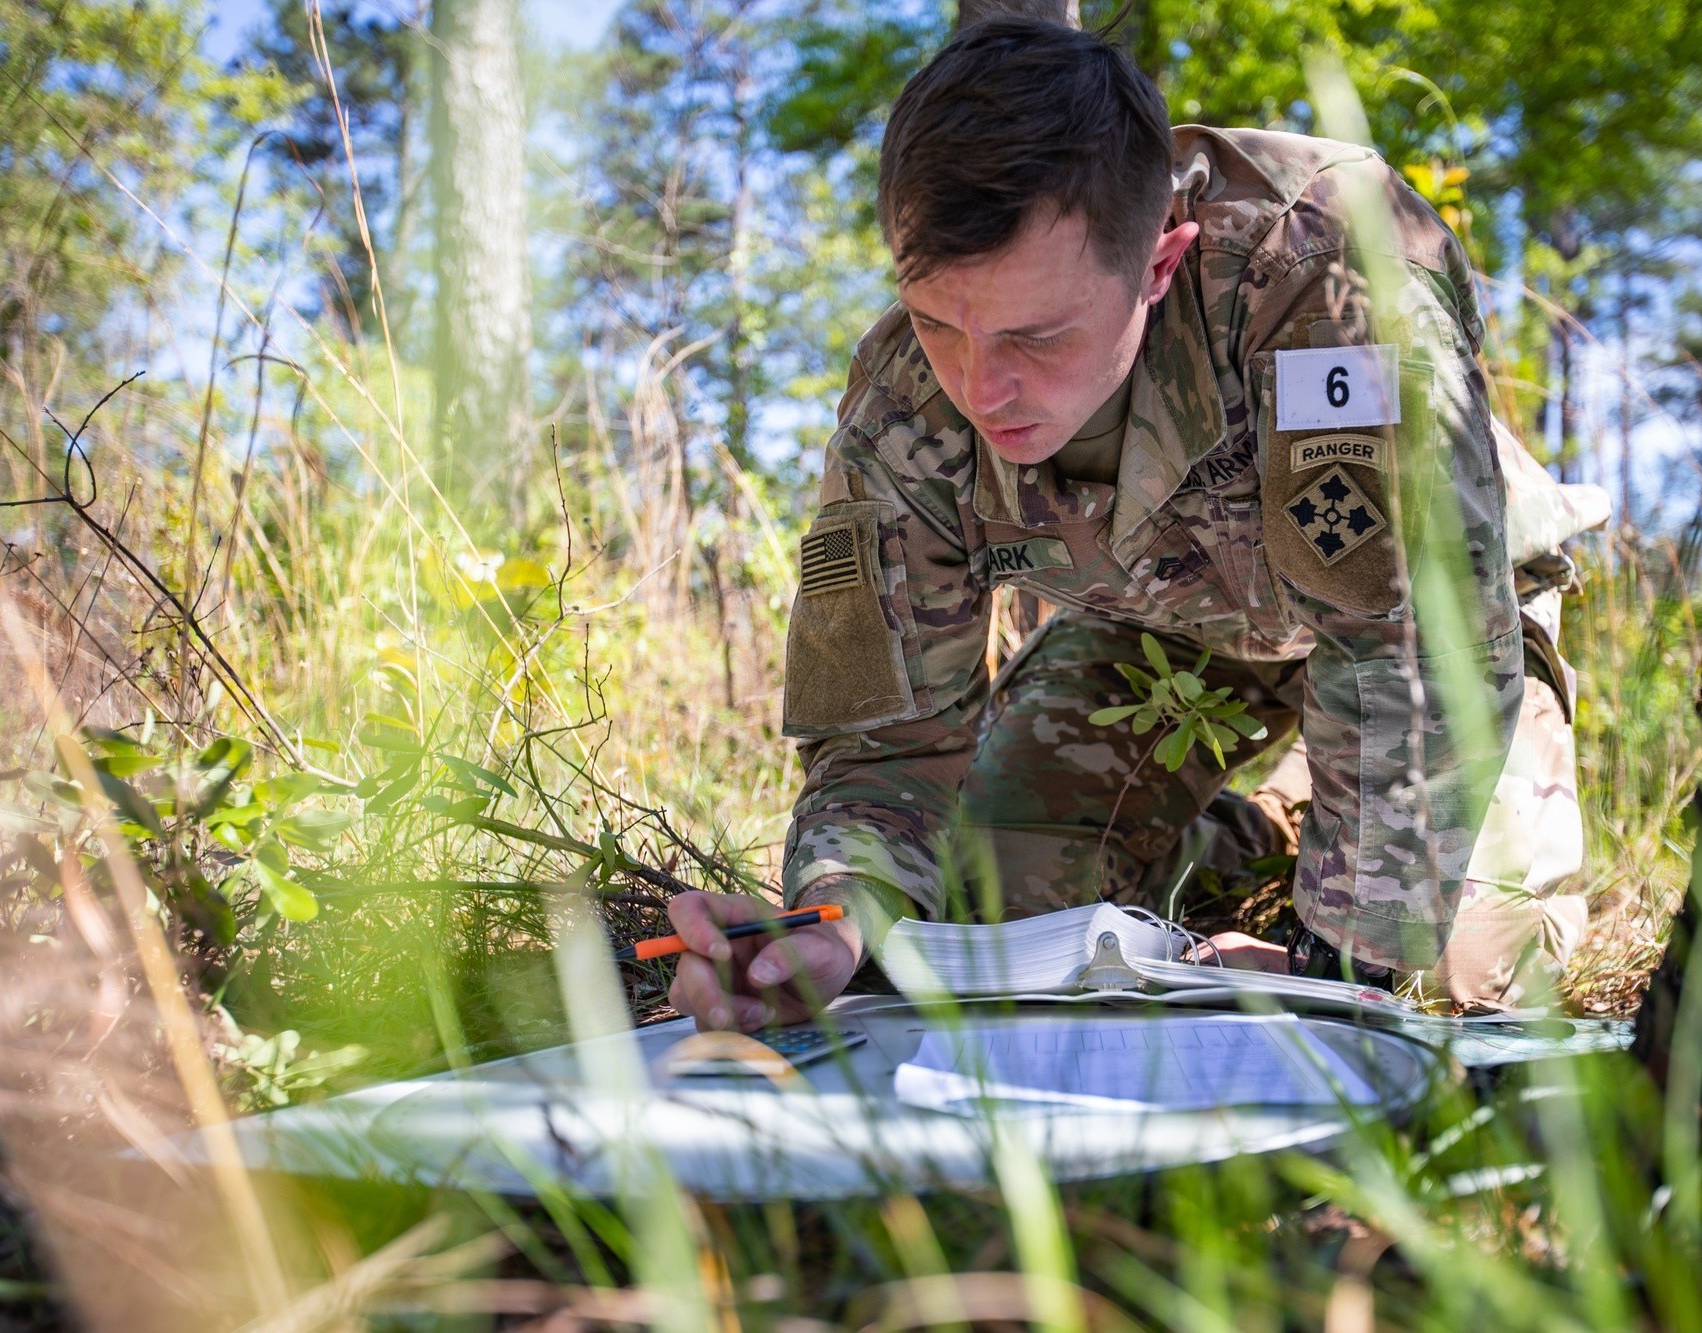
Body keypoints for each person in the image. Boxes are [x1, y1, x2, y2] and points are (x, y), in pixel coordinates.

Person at [665, 17, 1608, 1031]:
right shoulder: (902, 404)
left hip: (1427, 628)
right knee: (991, 907)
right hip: (1166, 634)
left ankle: (1324, 849)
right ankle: (1271, 821)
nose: (982, 386)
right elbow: (884, 743)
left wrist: (1335, 961)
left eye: (1036, 335)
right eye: (940, 322)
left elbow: (1411, 647)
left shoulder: (1326, 276)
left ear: (1158, 267)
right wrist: (834, 921)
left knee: (1449, 970)